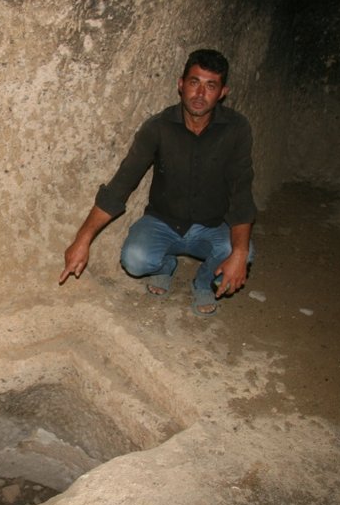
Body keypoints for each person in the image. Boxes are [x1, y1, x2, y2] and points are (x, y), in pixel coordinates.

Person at [58, 49, 256, 317]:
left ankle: (202, 283)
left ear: (222, 92)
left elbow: (241, 193)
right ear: (180, 84)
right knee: (135, 259)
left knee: (243, 253)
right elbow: (121, 184)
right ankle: (165, 267)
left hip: (212, 226)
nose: (200, 94)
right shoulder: (158, 127)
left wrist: (240, 252)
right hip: (163, 222)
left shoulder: (236, 129)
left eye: (210, 86)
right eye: (194, 82)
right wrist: (83, 239)